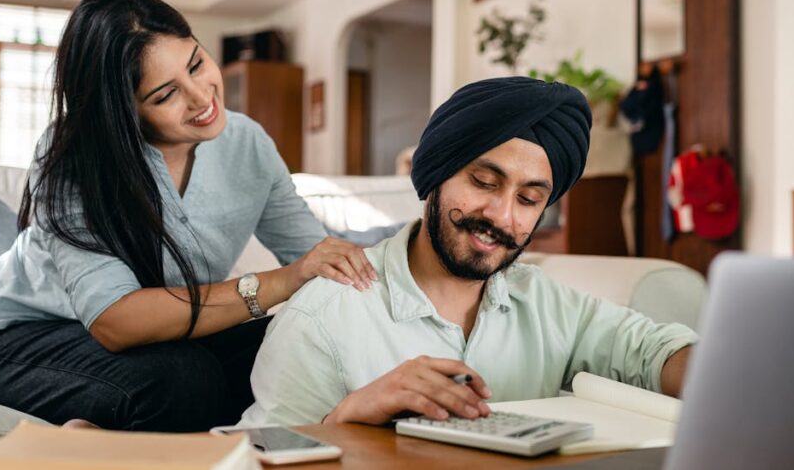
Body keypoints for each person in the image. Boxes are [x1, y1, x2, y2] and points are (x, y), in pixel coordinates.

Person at [0, 0, 376, 432]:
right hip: (21, 339)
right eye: (165, 95)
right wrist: (281, 281)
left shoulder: (247, 143)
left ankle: (107, 441)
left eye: (196, 64)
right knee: (182, 380)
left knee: (296, 347)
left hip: (161, 341)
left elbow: (317, 261)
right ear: (122, 111)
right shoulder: (75, 157)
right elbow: (116, 322)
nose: (201, 98)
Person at [238, 77, 698, 426]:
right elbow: (257, 459)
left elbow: (651, 353)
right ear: (436, 175)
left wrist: (722, 373)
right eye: (483, 182)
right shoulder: (323, 316)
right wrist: (347, 418)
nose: (501, 216)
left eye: (528, 199)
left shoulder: (544, 303)